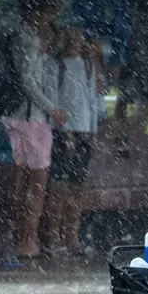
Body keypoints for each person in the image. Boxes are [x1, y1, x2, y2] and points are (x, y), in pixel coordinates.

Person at [4, 0, 68, 262]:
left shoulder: (24, 40)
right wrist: (52, 109)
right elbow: (29, 82)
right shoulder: (28, 41)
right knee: (35, 184)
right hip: (30, 120)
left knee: (25, 183)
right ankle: (26, 240)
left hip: (25, 118)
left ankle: (24, 238)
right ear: (37, 14)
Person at [44, 26, 100, 257]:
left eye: (80, 37)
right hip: (63, 131)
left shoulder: (88, 66)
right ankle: (53, 237)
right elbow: (53, 99)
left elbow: (93, 101)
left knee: (77, 187)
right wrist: (64, 131)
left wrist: (92, 132)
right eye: (72, 38)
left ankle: (72, 237)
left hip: (84, 131)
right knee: (58, 187)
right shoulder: (55, 65)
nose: (77, 42)